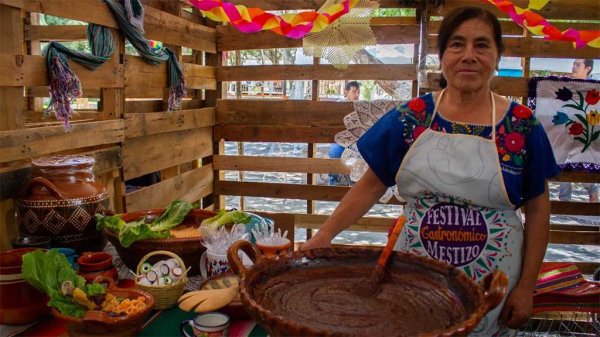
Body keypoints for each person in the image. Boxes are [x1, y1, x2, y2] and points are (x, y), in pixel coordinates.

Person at [302, 7, 559, 336]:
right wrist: (324, 236)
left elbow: (538, 209)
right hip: (415, 275)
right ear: (442, 57)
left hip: (494, 285)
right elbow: (369, 186)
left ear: (497, 56)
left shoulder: (521, 126)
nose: (468, 55)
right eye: (457, 44)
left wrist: (525, 288)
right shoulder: (411, 118)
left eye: (481, 45)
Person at [558, 59, 598, 202]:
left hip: (586, 133)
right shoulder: (567, 85)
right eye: (573, 64)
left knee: (580, 163)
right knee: (563, 162)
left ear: (587, 68)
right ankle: (564, 201)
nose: (573, 67)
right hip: (567, 131)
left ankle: (592, 190)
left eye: (578, 64)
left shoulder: (595, 87)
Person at [328, 81, 361, 186]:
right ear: (346, 92)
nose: (357, 95)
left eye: (358, 92)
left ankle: (353, 183)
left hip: (355, 142)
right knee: (335, 152)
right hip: (340, 140)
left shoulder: (361, 107)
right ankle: (334, 182)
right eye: (354, 92)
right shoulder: (339, 105)